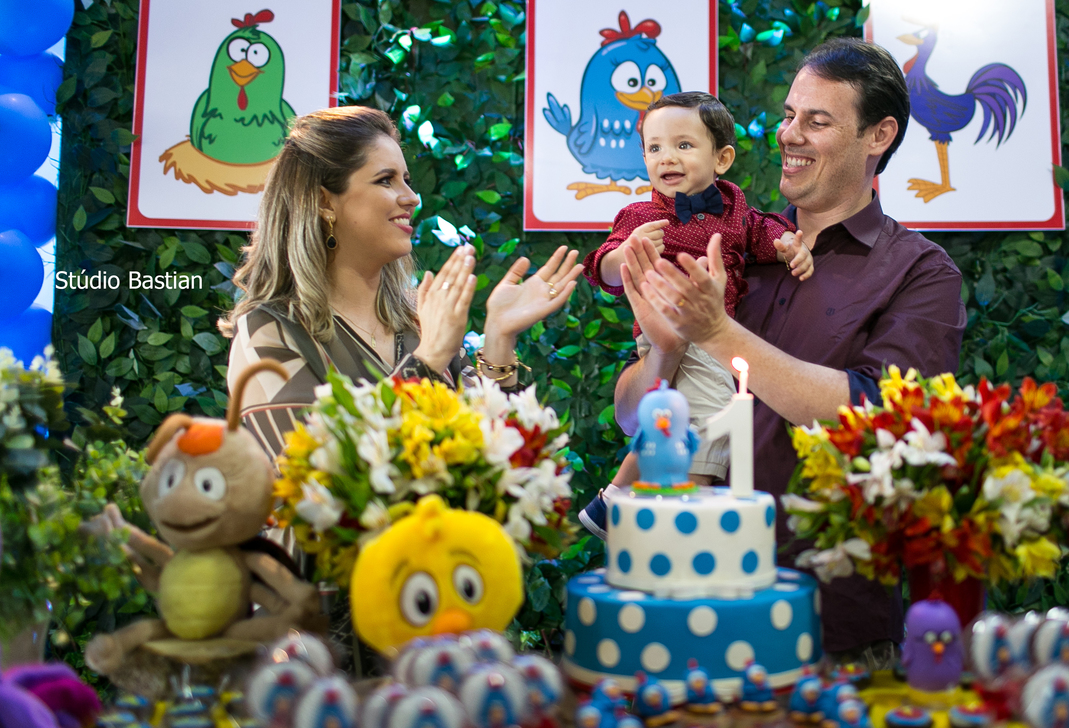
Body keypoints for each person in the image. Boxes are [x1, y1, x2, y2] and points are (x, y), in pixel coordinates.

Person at [612, 39, 967, 666]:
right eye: (788, 114)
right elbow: (631, 414)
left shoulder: (919, 273)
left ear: (879, 135)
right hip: (686, 603)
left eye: (817, 121)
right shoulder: (726, 241)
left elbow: (881, 418)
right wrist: (664, 354)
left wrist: (718, 333)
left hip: (830, 630)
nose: (788, 135)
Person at [220, 106, 583, 456]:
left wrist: (499, 338)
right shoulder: (268, 331)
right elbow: (316, 475)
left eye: (406, 181)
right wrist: (428, 360)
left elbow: (496, 456)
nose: (411, 198)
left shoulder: (418, 316)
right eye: (385, 180)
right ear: (323, 201)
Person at [577, 93, 814, 538]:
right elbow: (601, 267)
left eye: (684, 145)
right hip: (667, 327)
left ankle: (613, 500)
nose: (667, 157)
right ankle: (690, 504)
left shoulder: (735, 207)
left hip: (710, 329)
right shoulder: (639, 215)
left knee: (669, 417)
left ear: (722, 158)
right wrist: (624, 255)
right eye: (654, 148)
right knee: (709, 411)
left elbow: (762, 230)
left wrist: (787, 245)